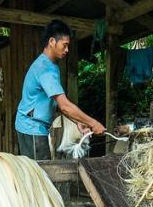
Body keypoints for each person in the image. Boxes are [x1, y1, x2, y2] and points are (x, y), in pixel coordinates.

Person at [15, 19, 106, 160]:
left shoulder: (52, 66)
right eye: (65, 45)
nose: (67, 50)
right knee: (40, 174)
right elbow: (64, 106)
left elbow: (57, 104)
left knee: (40, 173)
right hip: (31, 127)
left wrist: (78, 122)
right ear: (52, 41)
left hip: (35, 126)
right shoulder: (45, 69)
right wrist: (93, 123)